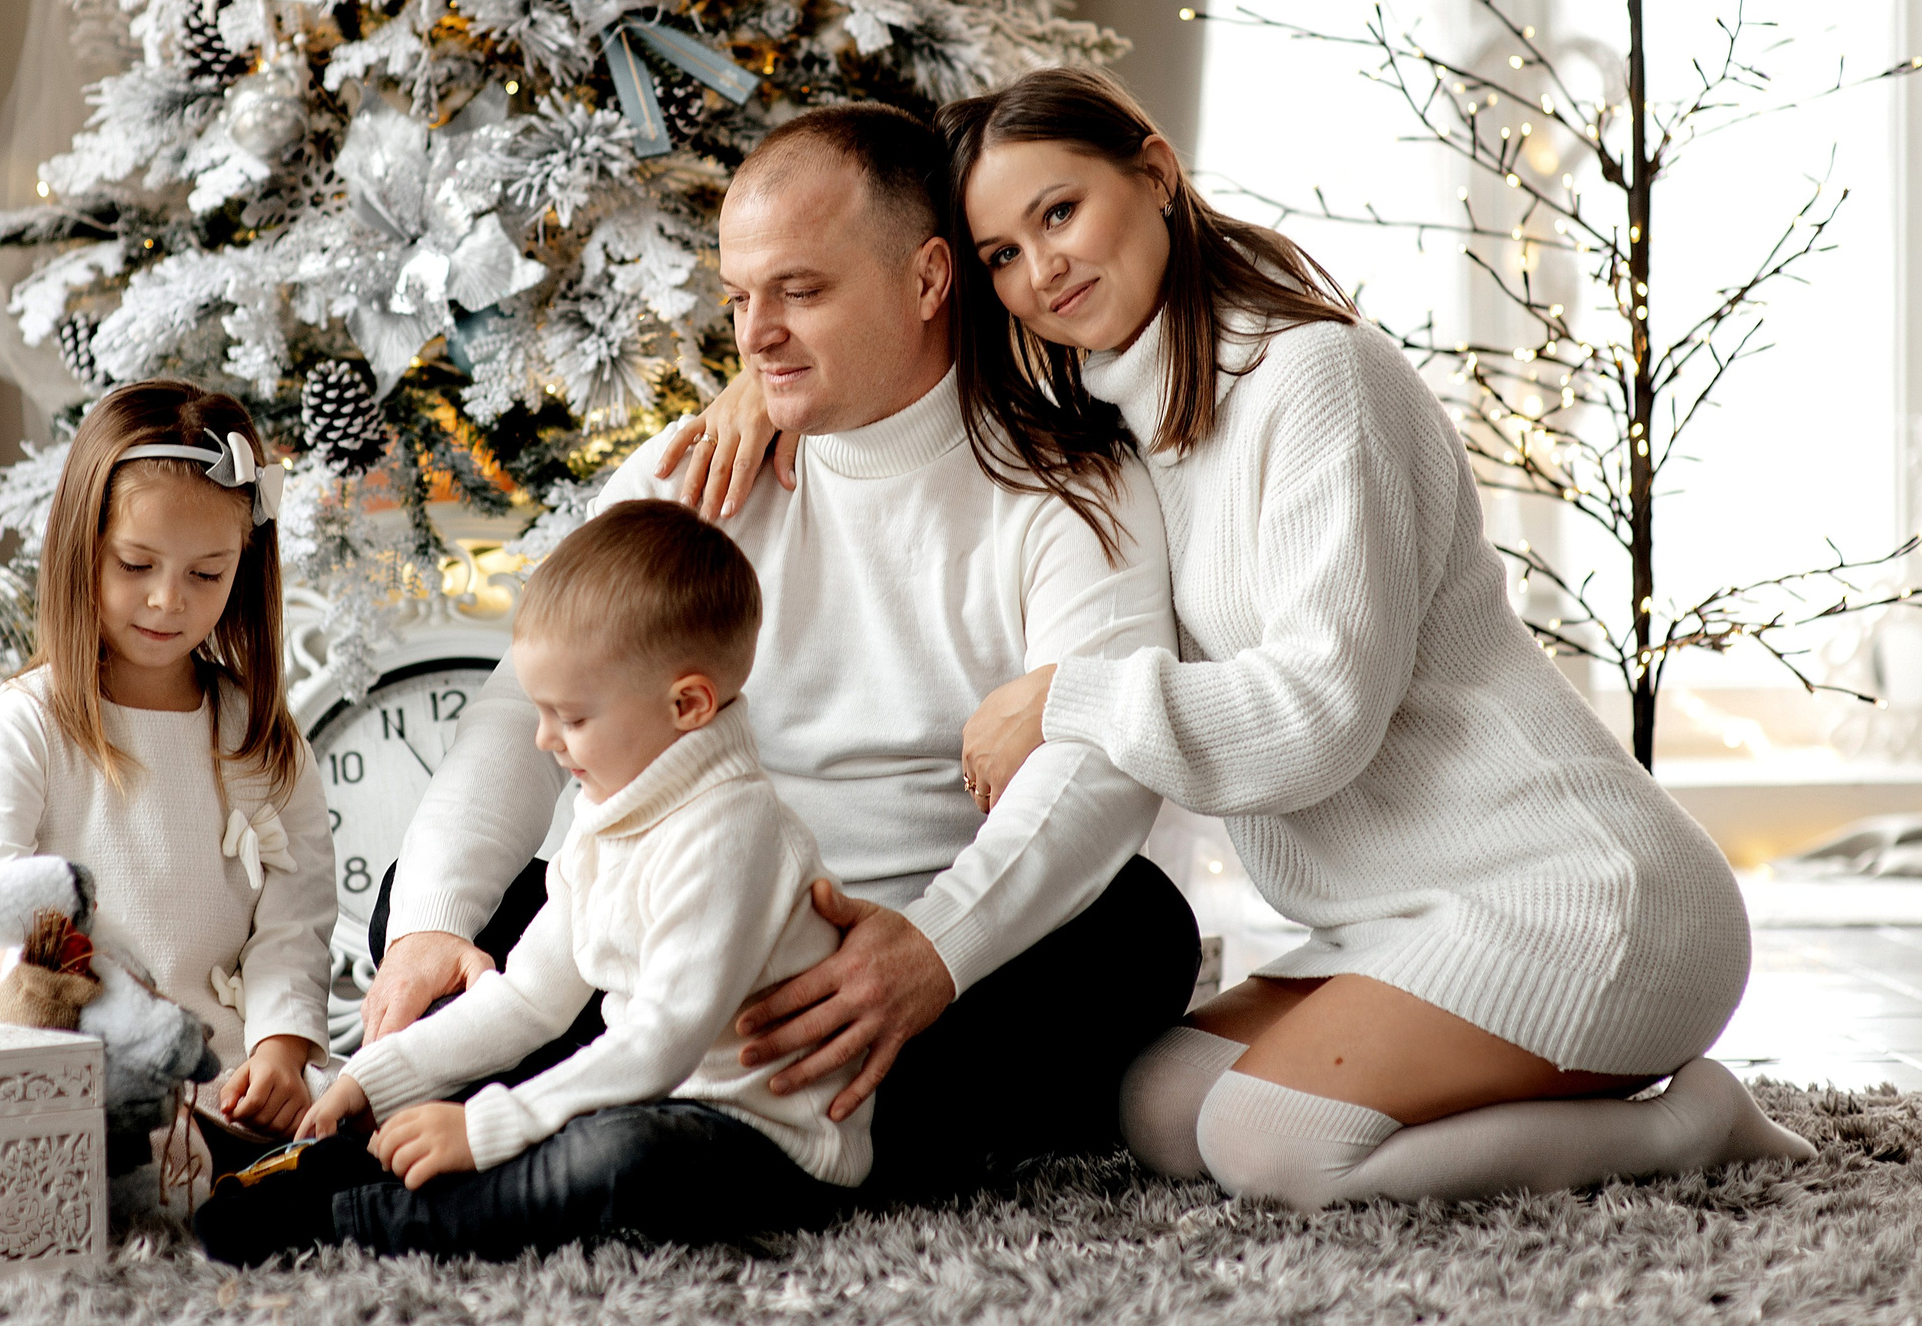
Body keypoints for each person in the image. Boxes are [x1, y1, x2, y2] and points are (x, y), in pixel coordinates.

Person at [679, 65, 1813, 1209]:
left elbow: (1321, 718)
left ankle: (1684, 1123)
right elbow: (893, 343)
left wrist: (1068, 695)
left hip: (1578, 893)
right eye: (1002, 256)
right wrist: (761, 389)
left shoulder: (1317, 377)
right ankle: (1537, 1086)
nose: (1042, 268)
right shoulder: (1118, 413)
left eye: (1059, 211)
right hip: (1387, 914)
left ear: (1155, 175)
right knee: (1163, 1108)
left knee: (1278, 1143)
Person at [366, 103, 1203, 1194]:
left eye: (799, 291)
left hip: (893, 967)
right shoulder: (696, 470)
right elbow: (518, 708)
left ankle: (688, 1123)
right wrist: (430, 925)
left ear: (927, 279)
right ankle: (687, 1122)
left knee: (1137, 933)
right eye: (739, 298)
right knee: (429, 902)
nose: (754, 333)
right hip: (683, 936)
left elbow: (1094, 764)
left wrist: (929, 950)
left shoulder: (1069, 487)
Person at [199, 500, 865, 1261]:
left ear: (688, 704)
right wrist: (377, 1076)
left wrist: (489, 1125)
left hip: (763, 1138)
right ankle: (349, 1160)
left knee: (614, 1156)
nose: (546, 739)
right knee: (557, 1120)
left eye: (571, 717)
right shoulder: (607, 814)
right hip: (643, 1093)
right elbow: (528, 997)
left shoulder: (733, 832)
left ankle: (363, 1222)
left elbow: (660, 1041)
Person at [0, 380, 336, 1182]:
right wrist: (42, 987)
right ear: (82, 547)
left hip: (224, 1088)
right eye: (136, 563)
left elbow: (292, 927)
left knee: (337, 1161)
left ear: (244, 566)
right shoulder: (27, 725)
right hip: (70, 1069)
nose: (168, 600)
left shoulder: (262, 741)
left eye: (207, 573)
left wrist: (280, 1049)